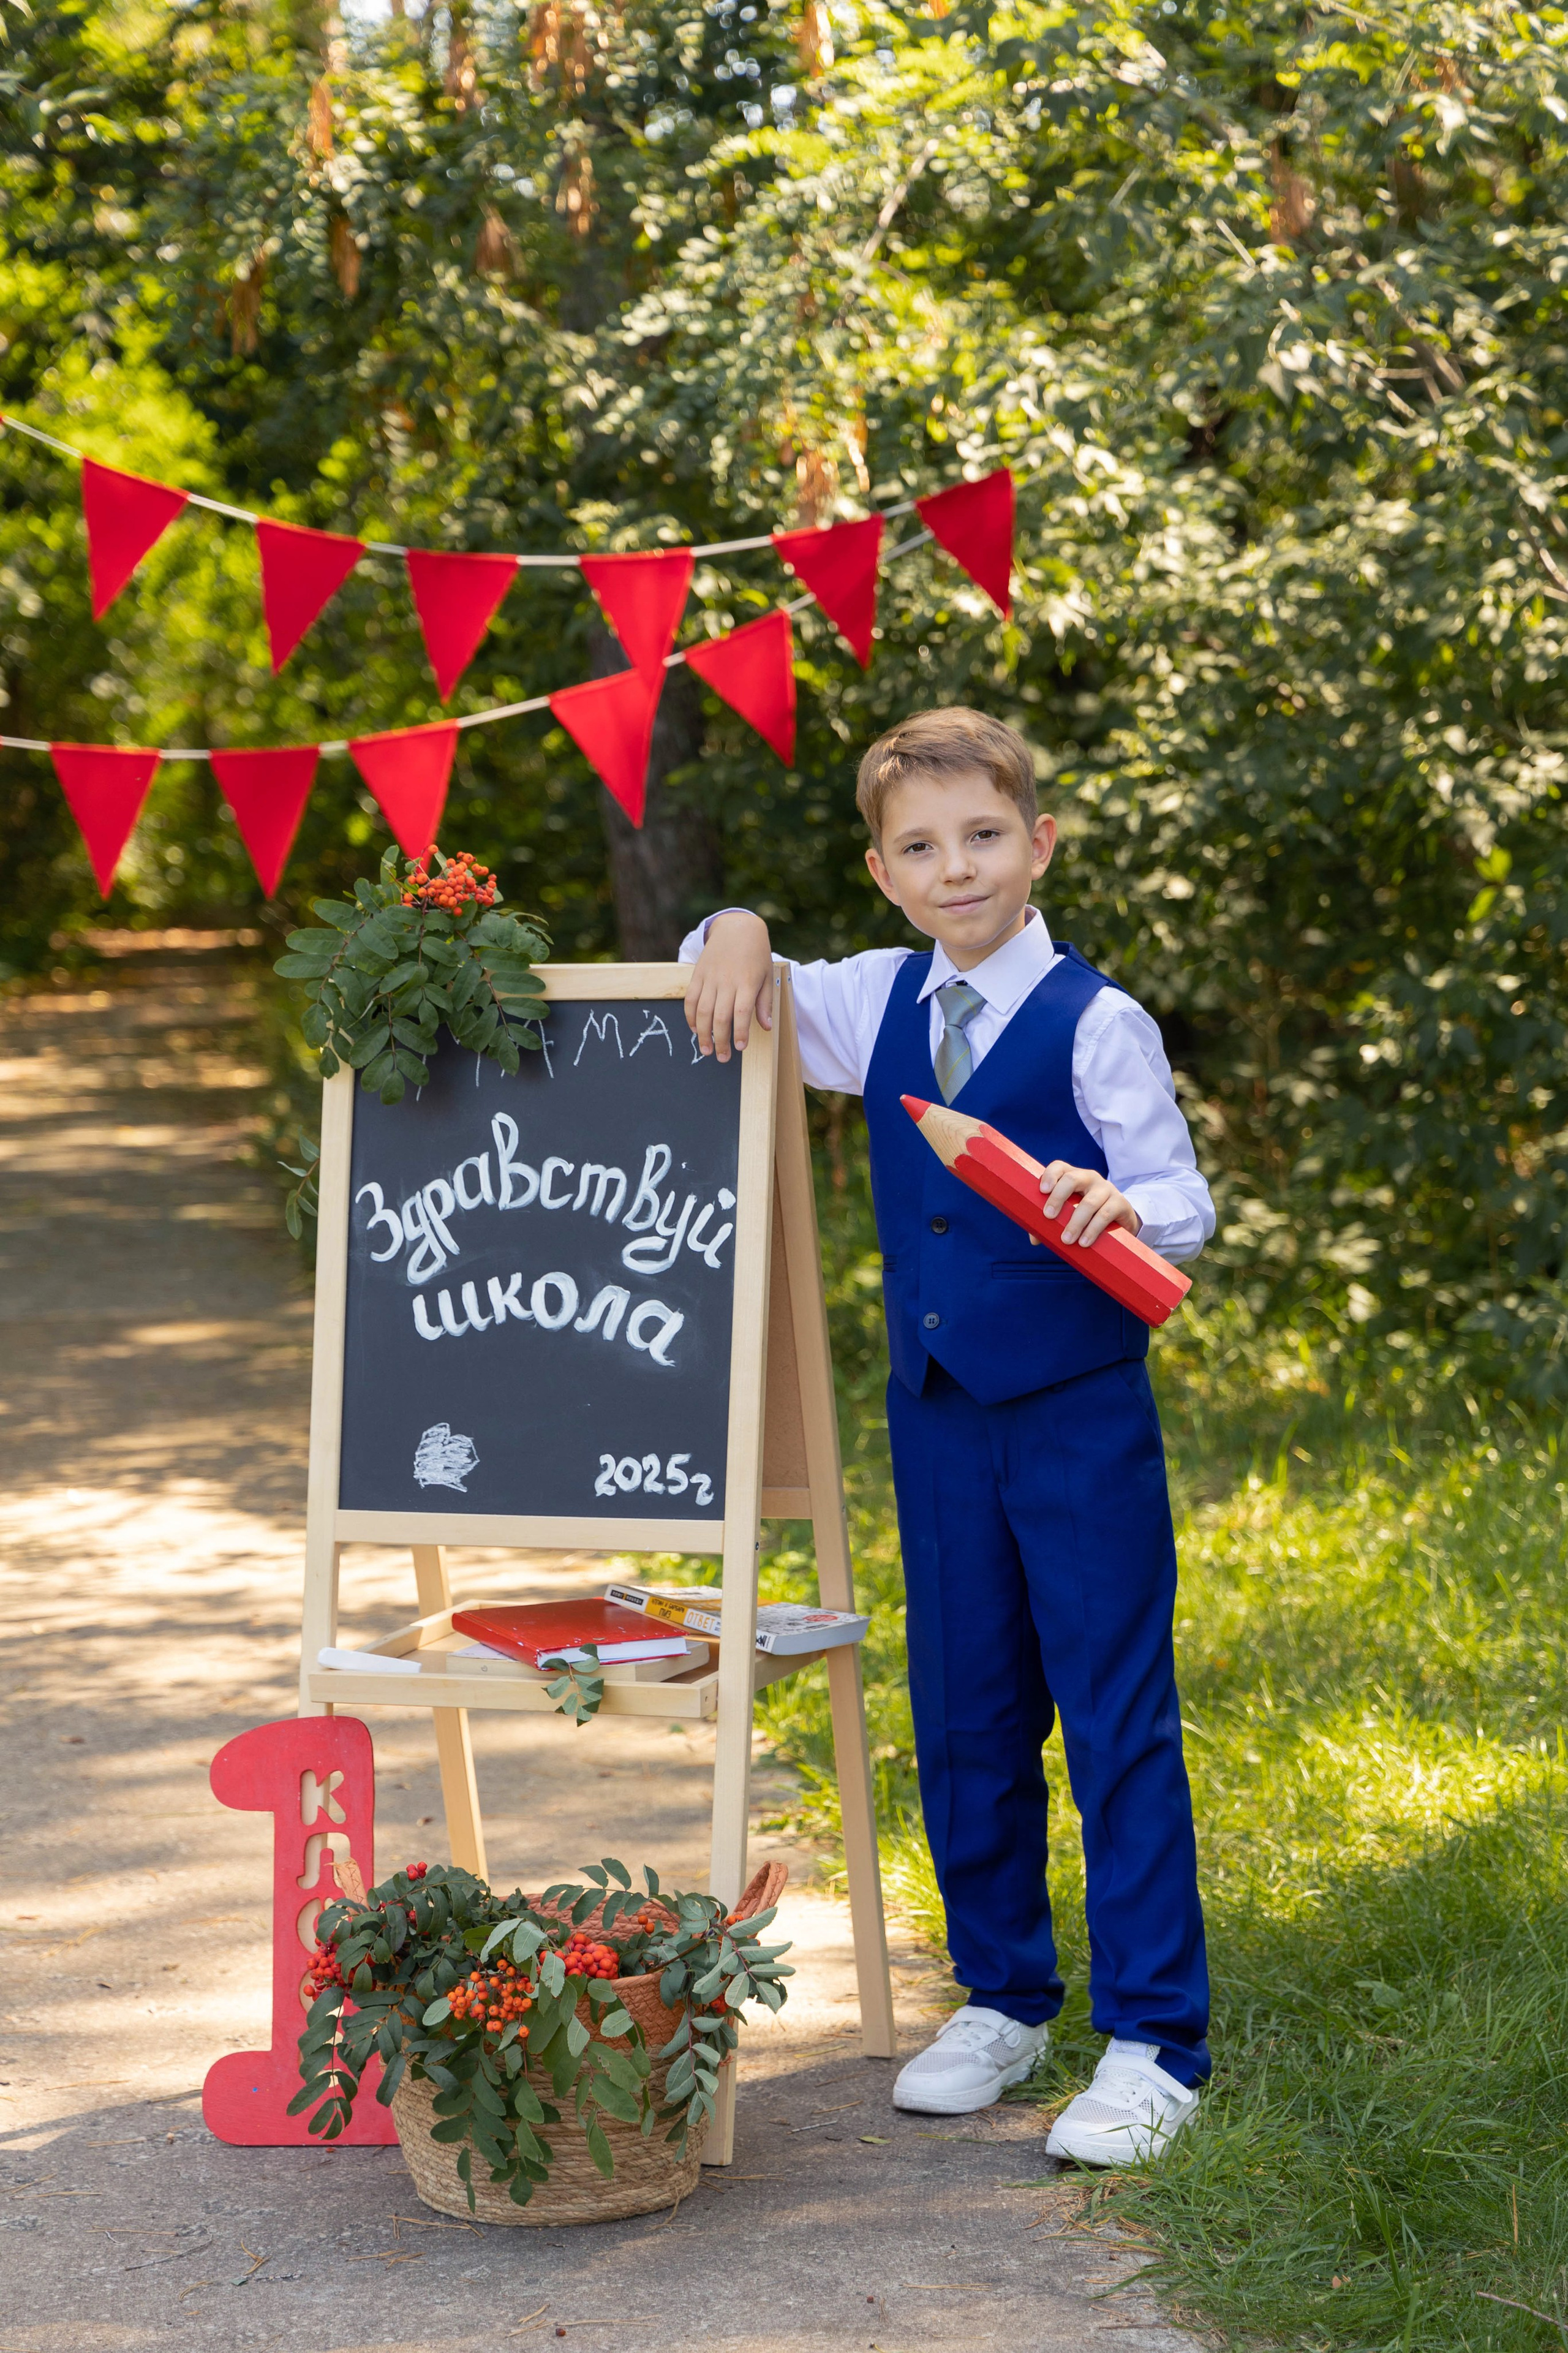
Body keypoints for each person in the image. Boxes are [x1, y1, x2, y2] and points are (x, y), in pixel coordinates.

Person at [679, 706, 1215, 2167]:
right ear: (882, 871)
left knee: (1111, 1715)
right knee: (967, 1710)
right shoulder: (872, 1000)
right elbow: (739, 981)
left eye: (982, 835)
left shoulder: (1096, 1020)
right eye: (921, 847)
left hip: (1077, 1413)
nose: (956, 866)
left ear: (1035, 843)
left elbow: (1179, 1199)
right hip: (937, 1424)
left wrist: (1124, 1206)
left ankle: (1156, 2035)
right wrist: (729, 919)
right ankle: (1002, 1997)